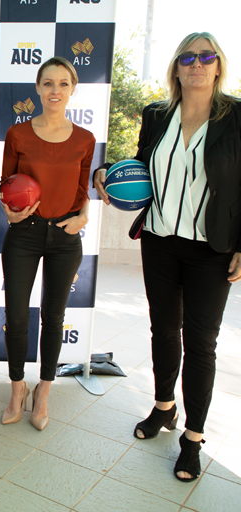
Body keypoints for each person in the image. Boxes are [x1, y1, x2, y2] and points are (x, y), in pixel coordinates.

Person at [94, 33, 241, 482]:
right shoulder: (157, 114)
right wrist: (107, 173)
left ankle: (193, 438)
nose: (196, 64)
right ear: (176, 68)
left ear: (218, 66)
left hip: (211, 248)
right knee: (163, 328)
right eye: (187, 57)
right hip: (159, 240)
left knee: (201, 343)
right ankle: (163, 407)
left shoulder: (236, 117)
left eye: (205, 56)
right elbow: (140, 167)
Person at [0, 57, 95, 431]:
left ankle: (44, 391)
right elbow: (7, 183)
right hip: (25, 234)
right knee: (17, 316)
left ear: (72, 90)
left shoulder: (85, 139)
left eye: (63, 84)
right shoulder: (18, 134)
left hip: (65, 236)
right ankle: (17, 388)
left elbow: (83, 188)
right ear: (37, 88)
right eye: (48, 83)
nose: (55, 90)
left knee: (54, 318)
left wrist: (84, 215)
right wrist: (10, 212)